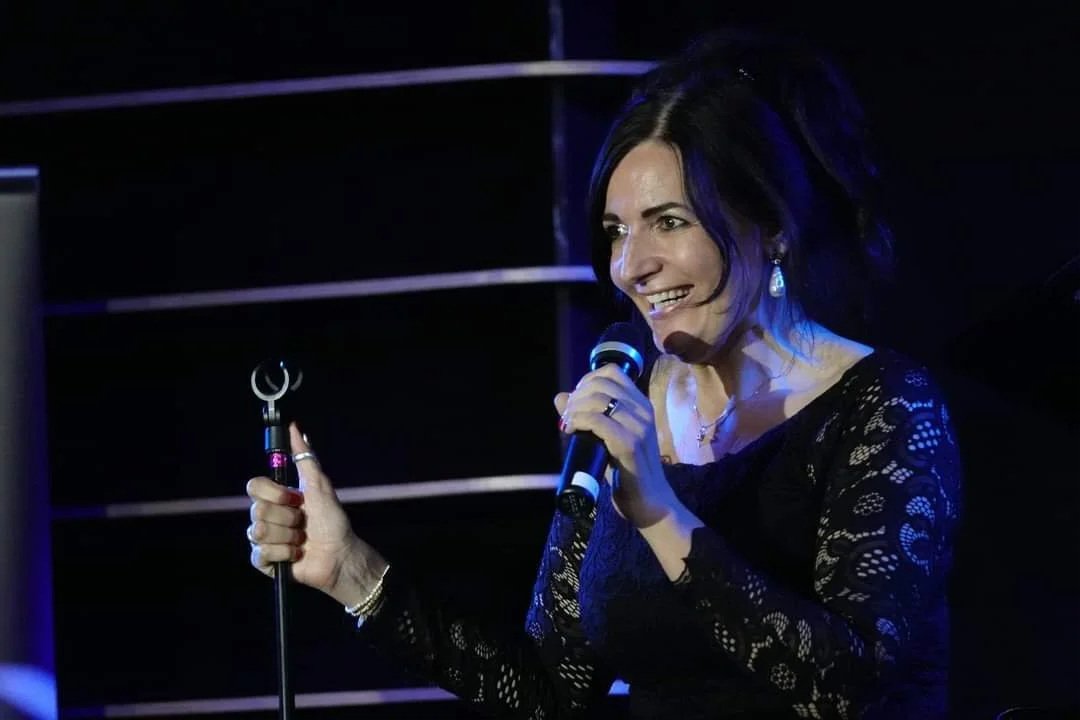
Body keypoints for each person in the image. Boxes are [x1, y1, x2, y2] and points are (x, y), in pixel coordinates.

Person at [245, 30, 961, 720]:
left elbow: (847, 689)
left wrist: (657, 509)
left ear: (770, 225)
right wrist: (353, 575)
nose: (630, 265)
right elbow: (551, 690)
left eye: (670, 222)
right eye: (618, 231)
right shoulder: (629, 408)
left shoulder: (885, 405)